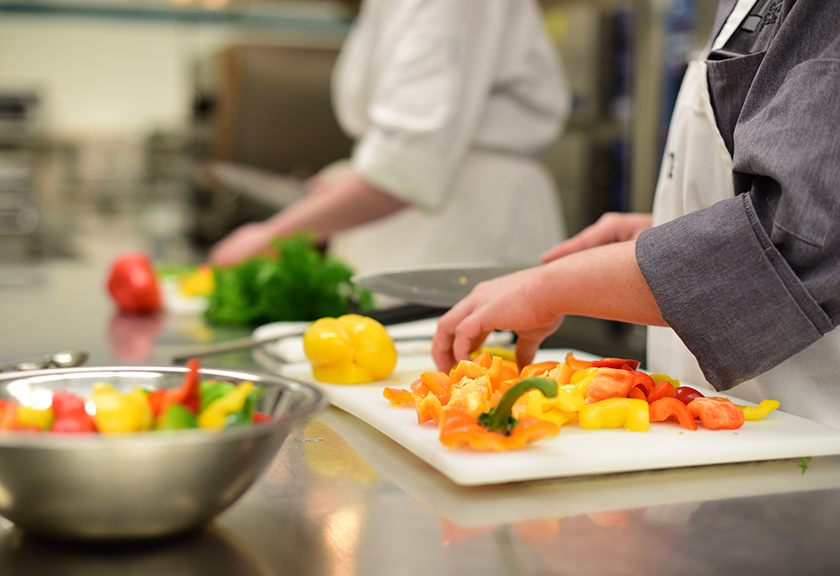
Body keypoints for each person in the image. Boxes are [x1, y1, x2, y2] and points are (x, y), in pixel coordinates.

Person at [432, 0, 840, 427]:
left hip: (815, 445)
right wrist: (671, 223)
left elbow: (798, 238)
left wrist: (547, 289)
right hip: (745, 435)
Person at [209, 0, 571, 278]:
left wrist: (270, 238)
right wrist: (349, 182)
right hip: (415, 225)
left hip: (468, 226)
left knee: (467, 372)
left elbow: (409, 165)